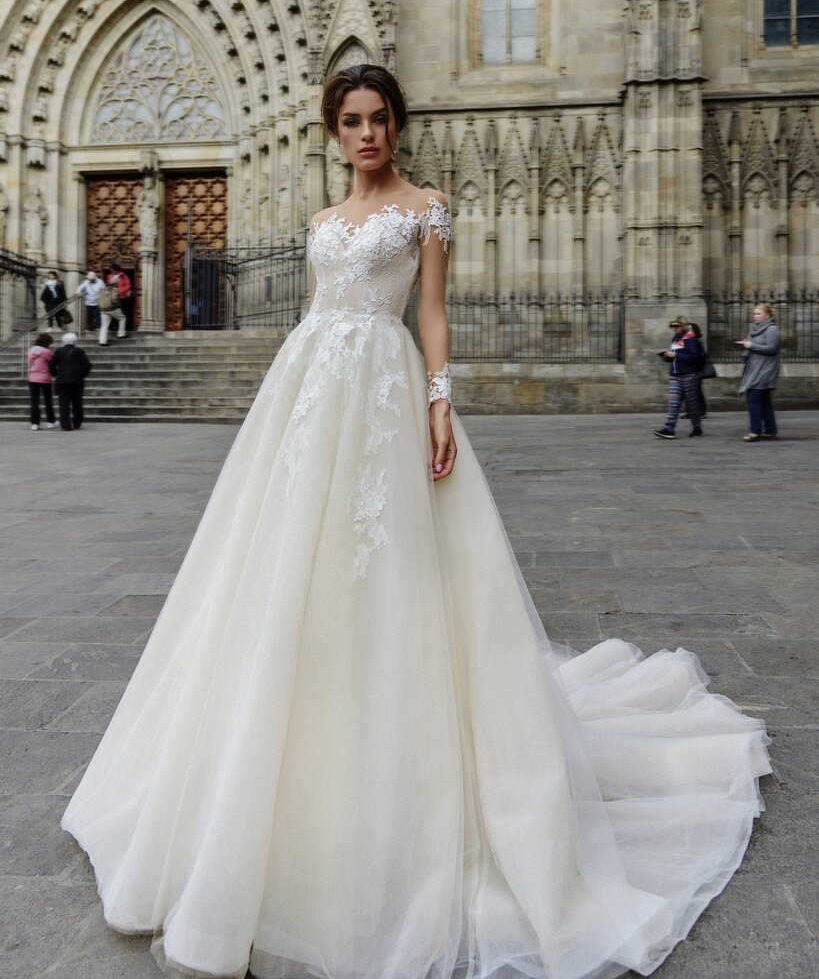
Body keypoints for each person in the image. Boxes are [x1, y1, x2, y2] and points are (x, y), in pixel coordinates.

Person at [62, 65, 770, 979]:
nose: (366, 134)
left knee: (386, 564)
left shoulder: (426, 209)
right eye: (351, 121)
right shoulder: (320, 221)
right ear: (333, 131)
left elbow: (430, 312)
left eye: (379, 119)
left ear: (397, 125)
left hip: (381, 388)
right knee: (279, 560)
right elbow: (319, 309)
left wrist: (438, 400)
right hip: (309, 387)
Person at [653, 315, 704, 438]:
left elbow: (693, 357)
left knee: (692, 403)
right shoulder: (675, 339)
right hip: (675, 375)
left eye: (676, 326)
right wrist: (667, 357)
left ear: (683, 326)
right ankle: (669, 428)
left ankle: (697, 427)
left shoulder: (691, 339)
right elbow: (676, 357)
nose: (673, 328)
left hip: (689, 375)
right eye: (672, 326)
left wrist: (675, 355)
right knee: (673, 402)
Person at [736, 302, 781, 441]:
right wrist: (746, 345)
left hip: (765, 369)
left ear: (767, 316)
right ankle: (770, 430)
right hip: (755, 368)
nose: (754, 316)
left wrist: (751, 345)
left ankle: (755, 431)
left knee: (753, 399)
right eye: (754, 313)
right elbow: (755, 347)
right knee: (764, 401)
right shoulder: (754, 329)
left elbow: (771, 348)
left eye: (758, 313)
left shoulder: (772, 329)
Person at [49, 332, 92, 431]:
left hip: (63, 380)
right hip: (77, 380)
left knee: (64, 403)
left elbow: (51, 365)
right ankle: (77, 422)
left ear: (63, 341)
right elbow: (87, 365)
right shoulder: (79, 351)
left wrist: (56, 374)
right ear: (75, 341)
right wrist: (82, 374)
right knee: (77, 402)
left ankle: (65, 424)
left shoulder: (59, 351)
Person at [27, 332, 57, 430]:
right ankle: (50, 421)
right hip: (45, 377)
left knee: (34, 401)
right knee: (48, 400)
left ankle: (35, 423)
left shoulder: (31, 351)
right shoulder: (47, 352)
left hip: (33, 377)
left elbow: (31, 363)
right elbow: (52, 363)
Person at [98, 270, 128, 345]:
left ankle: (102, 341)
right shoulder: (115, 289)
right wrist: (118, 304)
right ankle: (121, 334)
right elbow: (114, 299)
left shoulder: (103, 289)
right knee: (122, 318)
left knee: (104, 325)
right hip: (112, 308)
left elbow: (98, 299)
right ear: (116, 283)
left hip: (103, 309)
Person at [104, 263, 134, 334]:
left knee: (122, 312)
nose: (111, 271)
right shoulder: (109, 276)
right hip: (112, 297)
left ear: (116, 270)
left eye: (112, 270)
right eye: (111, 270)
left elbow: (128, 285)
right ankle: (113, 327)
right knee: (112, 312)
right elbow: (107, 286)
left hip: (121, 297)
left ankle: (122, 328)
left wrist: (119, 290)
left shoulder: (123, 276)